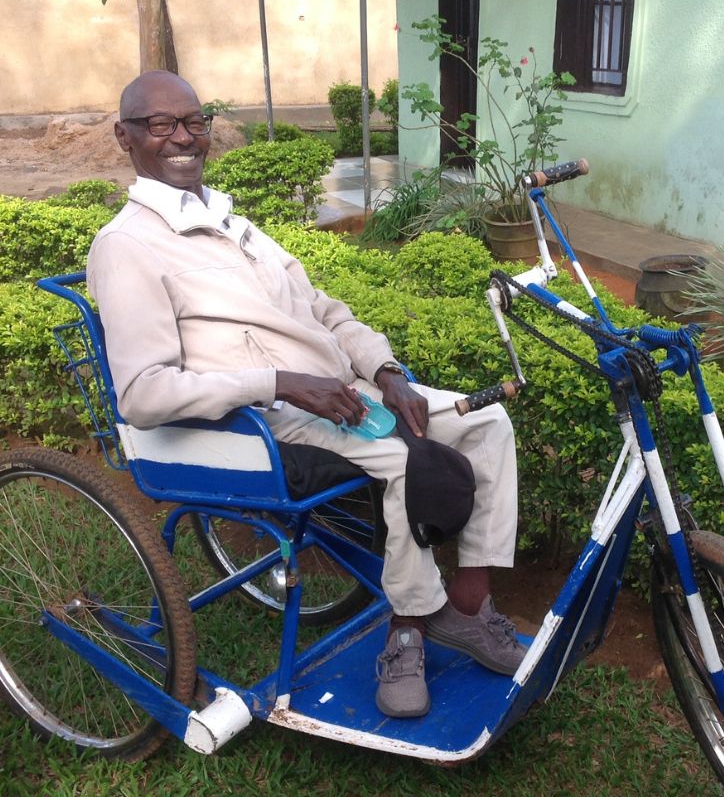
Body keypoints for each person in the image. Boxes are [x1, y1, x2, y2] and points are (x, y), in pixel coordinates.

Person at [87, 70, 526, 719]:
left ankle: (464, 608)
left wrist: (385, 372)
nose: (182, 137)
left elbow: (324, 309)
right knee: (410, 461)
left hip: (342, 393)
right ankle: (408, 629)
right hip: (266, 421)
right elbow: (145, 394)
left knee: (486, 425)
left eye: (193, 121)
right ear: (125, 137)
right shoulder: (127, 247)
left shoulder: (233, 222)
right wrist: (281, 382)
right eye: (160, 125)